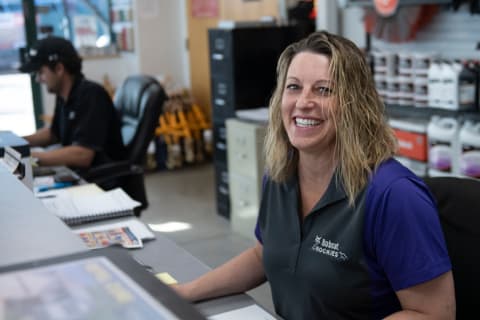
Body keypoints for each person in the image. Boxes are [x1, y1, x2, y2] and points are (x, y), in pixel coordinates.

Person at [174, 31, 456, 319]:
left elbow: (434, 314)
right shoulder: (279, 175)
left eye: (324, 90)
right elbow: (264, 254)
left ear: (355, 106)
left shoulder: (395, 195)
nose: (303, 102)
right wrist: (185, 293)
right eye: (293, 87)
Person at [20, 36, 125, 175]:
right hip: (78, 174)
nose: (38, 79)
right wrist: (18, 143)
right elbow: (53, 134)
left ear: (59, 69)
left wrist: (28, 158)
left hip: (101, 182)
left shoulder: (92, 96)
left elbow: (82, 155)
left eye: (41, 72)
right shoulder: (64, 95)